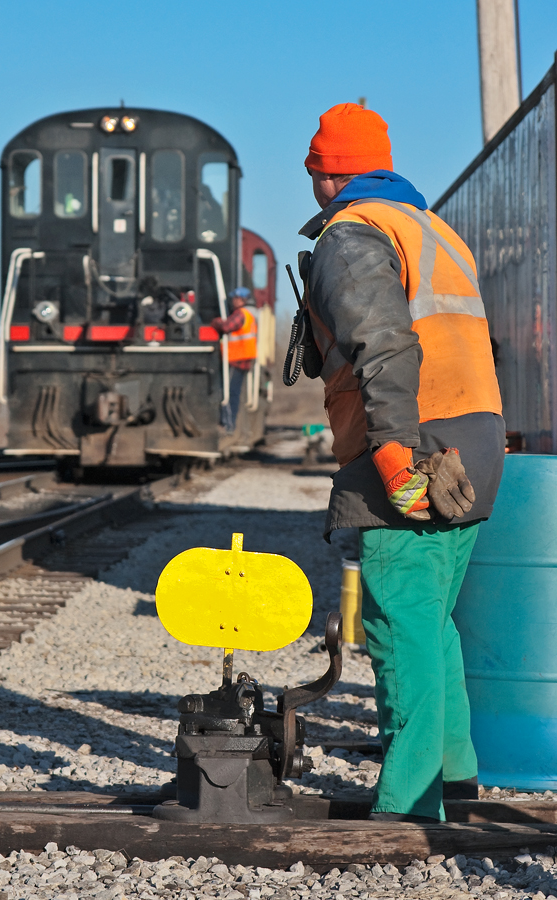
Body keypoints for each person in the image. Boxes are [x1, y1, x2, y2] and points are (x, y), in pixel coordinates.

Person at [299, 103, 505, 822]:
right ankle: (455, 778)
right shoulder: (432, 229)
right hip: (476, 441)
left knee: (399, 624)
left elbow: (383, 345)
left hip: (416, 441)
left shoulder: (352, 234)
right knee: (433, 620)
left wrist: (391, 449)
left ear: (325, 174)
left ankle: (410, 808)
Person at [211, 288, 258, 433]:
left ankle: (227, 424)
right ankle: (229, 424)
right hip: (242, 359)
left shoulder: (240, 314)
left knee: (229, 392)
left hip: (236, 359)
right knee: (233, 393)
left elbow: (227, 326)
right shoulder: (250, 314)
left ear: (243, 300)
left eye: (236, 298)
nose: (233, 301)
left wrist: (216, 321)